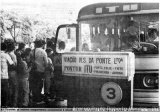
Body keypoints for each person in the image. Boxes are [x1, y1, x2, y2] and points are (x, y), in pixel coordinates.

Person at [5, 39, 18, 107]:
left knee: (9, 88)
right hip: (13, 72)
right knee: (15, 88)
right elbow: (15, 64)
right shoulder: (13, 55)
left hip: (7, 72)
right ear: (13, 47)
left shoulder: (5, 54)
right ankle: (14, 104)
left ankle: (8, 102)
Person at [1, 43, 14, 107]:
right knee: (5, 91)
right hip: (4, 76)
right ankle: (4, 105)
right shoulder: (6, 55)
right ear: (6, 48)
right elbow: (12, 64)